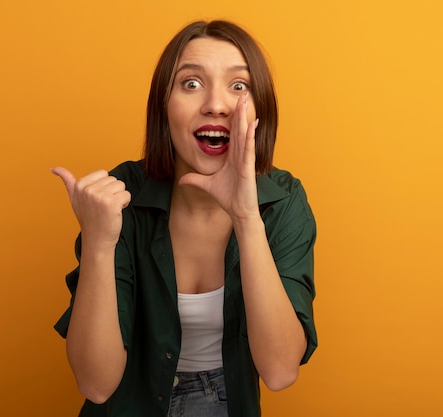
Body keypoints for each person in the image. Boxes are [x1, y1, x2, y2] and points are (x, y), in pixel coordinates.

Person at [51, 20, 317, 417]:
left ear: (261, 109)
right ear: (163, 107)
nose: (215, 103)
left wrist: (246, 218)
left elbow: (280, 372)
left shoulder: (283, 201)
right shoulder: (120, 196)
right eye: (191, 84)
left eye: (239, 86)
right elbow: (95, 384)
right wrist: (99, 245)